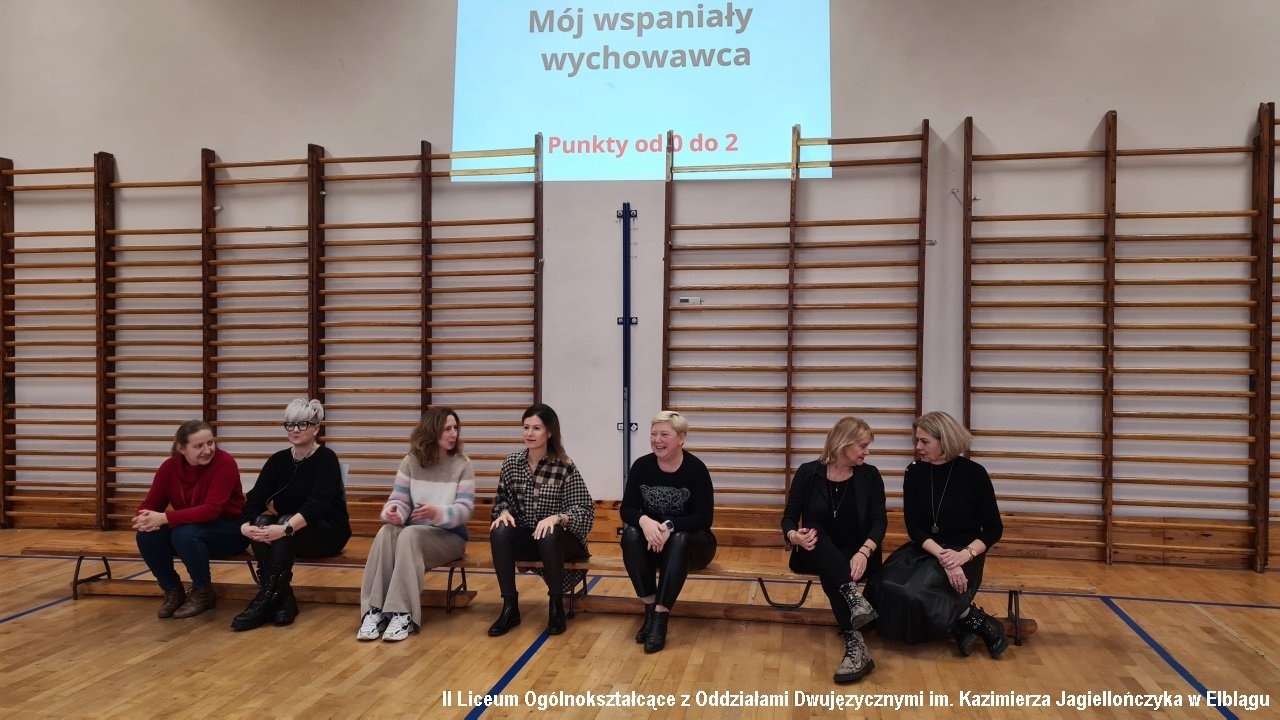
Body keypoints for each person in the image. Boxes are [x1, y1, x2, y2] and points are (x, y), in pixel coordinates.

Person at [864, 411, 1007, 658]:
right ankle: (966, 620)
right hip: (927, 547)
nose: (918, 447)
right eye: (917, 440)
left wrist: (962, 557)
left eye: (924, 441)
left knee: (915, 592)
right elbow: (914, 527)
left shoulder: (974, 473)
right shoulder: (913, 472)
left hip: (965, 552)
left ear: (945, 440)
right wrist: (943, 557)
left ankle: (984, 625)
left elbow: (994, 529)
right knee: (882, 584)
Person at [782, 416, 885, 683]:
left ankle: (855, 642)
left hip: (858, 554)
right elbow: (789, 519)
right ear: (844, 443)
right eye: (863, 445)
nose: (867, 452)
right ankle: (853, 599)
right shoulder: (808, 473)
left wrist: (864, 551)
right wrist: (795, 536)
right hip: (813, 550)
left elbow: (879, 523)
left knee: (834, 571)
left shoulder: (870, 476)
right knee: (813, 530)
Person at [233, 398, 351, 631]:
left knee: (283, 522)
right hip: (287, 533)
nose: (295, 429)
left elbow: (316, 506)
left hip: (326, 532)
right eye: (290, 424)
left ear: (316, 428)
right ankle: (281, 598)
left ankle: (264, 600)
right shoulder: (278, 460)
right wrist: (245, 526)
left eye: (302, 424)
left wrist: (285, 529)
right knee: (261, 521)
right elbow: (255, 498)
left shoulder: (326, 458)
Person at [357, 407, 475, 642]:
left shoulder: (463, 464)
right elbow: (399, 500)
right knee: (386, 531)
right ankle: (374, 610)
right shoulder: (410, 461)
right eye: (447, 429)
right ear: (432, 432)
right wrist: (394, 513)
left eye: (455, 428)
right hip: (414, 533)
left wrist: (438, 513)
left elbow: (464, 510)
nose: (453, 434)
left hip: (449, 537)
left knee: (410, 535)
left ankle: (403, 613)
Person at [488, 403, 593, 637]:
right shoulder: (512, 463)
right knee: (499, 530)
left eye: (536, 428)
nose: (530, 433)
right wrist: (503, 512)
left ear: (550, 432)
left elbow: (585, 511)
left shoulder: (564, 466)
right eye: (526, 427)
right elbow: (501, 501)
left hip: (562, 541)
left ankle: (556, 607)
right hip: (529, 536)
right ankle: (510, 607)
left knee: (548, 533)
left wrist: (557, 518)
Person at [620, 410, 716, 653]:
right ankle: (650, 610)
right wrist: (644, 521)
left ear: (681, 438)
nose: (657, 440)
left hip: (693, 544)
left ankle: (660, 620)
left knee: (679, 538)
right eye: (653, 434)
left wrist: (669, 527)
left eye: (664, 434)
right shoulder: (642, 466)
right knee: (630, 534)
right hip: (654, 544)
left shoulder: (696, 469)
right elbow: (627, 509)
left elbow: (704, 518)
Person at [133, 420, 249, 619]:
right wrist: (143, 518)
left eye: (210, 443)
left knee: (184, 533)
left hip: (232, 530)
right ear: (181, 448)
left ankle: (203, 591)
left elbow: (211, 511)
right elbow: (151, 503)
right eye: (198, 446)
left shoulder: (224, 463)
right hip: (191, 529)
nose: (207, 450)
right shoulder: (169, 467)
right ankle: (172, 590)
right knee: (146, 535)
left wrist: (164, 517)